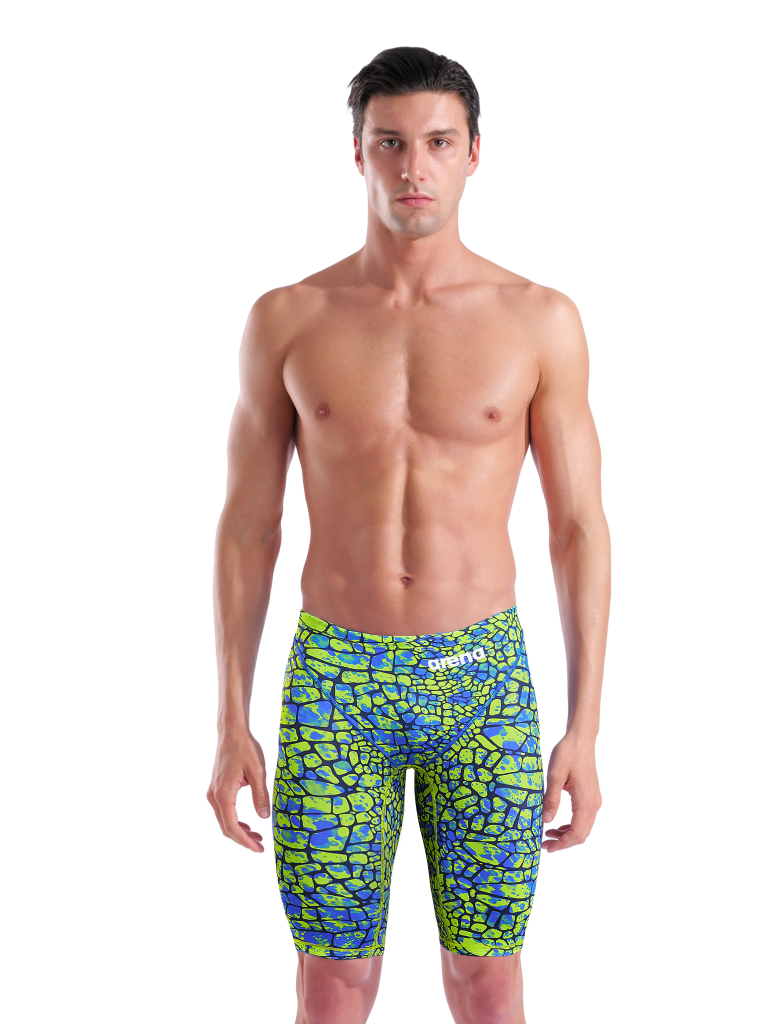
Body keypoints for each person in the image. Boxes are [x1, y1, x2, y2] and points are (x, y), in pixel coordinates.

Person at [206, 45, 610, 1024]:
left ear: (475, 153)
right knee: (331, 981)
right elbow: (247, 529)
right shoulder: (287, 318)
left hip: (484, 682)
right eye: (390, 143)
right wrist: (229, 721)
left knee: (489, 978)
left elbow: (577, 526)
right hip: (334, 684)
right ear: (357, 154)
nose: (413, 167)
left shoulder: (539, 319)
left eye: (436, 142)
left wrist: (586, 726)